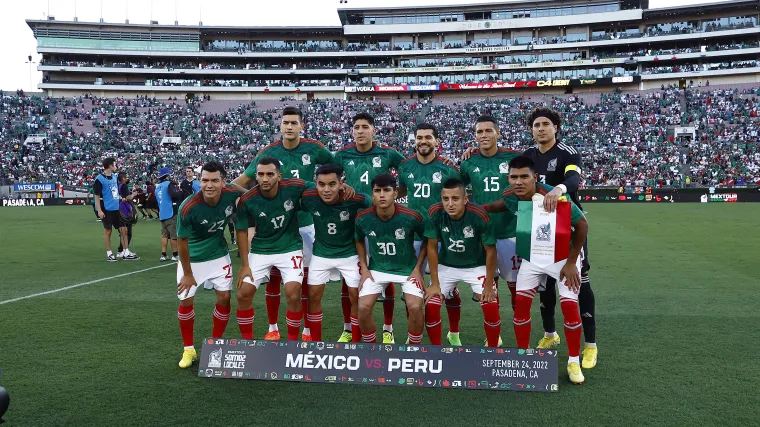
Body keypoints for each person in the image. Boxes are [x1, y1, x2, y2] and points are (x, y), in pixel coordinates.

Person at [233, 106, 336, 341]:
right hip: (272, 227)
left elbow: (335, 168)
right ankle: (272, 328)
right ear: (280, 125)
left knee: (304, 283)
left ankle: (307, 331)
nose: (289, 126)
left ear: (302, 126)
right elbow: (245, 179)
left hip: (306, 225)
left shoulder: (315, 148)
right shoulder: (268, 153)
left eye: (293, 123)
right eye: (285, 122)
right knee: (273, 281)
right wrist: (228, 192)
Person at [482, 156, 589, 384]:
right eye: (513, 177)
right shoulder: (511, 196)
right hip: (533, 256)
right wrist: (472, 209)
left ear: (535, 177)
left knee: (569, 306)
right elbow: (497, 206)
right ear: (508, 178)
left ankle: (573, 361)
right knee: (521, 306)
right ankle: (524, 356)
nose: (518, 182)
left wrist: (571, 262)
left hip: (562, 257)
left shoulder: (554, 195)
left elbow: (582, 225)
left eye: (524, 177)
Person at [522, 107, 598, 369]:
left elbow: (575, 177)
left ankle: (590, 346)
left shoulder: (567, 152)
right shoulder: (528, 155)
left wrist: (559, 188)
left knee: (579, 280)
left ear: (556, 127)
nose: (540, 128)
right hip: (539, 226)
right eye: (536, 125)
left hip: (568, 226)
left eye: (546, 124)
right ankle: (549, 334)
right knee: (544, 279)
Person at [333, 112, 405, 343]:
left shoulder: (387, 153)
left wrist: (395, 196)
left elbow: (409, 173)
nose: (360, 130)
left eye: (365, 126)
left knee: (387, 273)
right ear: (352, 131)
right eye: (356, 127)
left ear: (374, 130)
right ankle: (347, 327)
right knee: (350, 279)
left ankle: (388, 329)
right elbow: (330, 179)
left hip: (380, 221)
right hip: (351, 222)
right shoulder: (342, 154)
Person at [397, 123, 462, 345]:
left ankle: (454, 333)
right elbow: (402, 191)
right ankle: (413, 334)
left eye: (428, 137)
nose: (423, 141)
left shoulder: (448, 167)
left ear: (437, 141)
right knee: (411, 289)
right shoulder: (405, 167)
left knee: (449, 289)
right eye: (419, 138)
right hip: (412, 236)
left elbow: (458, 196)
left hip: (442, 235)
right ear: (414, 140)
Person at [175, 161, 244, 369]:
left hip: (219, 255)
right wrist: (187, 273)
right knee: (186, 301)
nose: (209, 185)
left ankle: (215, 344)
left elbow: (247, 193)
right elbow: (182, 243)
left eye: (215, 180)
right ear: (199, 181)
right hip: (192, 260)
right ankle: (188, 349)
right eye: (204, 180)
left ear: (224, 182)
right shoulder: (188, 207)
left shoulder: (231, 193)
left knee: (224, 298)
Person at [234, 157, 311, 341]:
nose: (265, 178)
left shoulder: (293, 187)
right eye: (260, 174)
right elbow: (242, 232)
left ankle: (292, 343)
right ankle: (248, 342)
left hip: (290, 247)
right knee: (243, 294)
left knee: (293, 293)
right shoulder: (248, 199)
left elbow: (318, 186)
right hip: (261, 249)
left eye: (270, 174)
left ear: (279, 176)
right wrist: (245, 264)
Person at [460, 115, 521, 345]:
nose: (483, 135)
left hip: (510, 233)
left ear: (498, 133)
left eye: (488, 131)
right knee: (488, 290)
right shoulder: (468, 162)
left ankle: (519, 333)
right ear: (474, 136)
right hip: (482, 236)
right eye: (479, 132)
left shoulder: (513, 157)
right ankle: (493, 338)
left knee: (516, 290)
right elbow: (458, 187)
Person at [424, 178, 500, 347]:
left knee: (490, 305)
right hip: (446, 265)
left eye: (455, 199)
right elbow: (431, 247)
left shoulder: (479, 215)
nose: (450, 204)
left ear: (465, 199)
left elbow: (491, 250)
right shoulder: (435, 212)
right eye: (445, 199)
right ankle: (438, 352)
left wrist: (489, 283)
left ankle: (493, 351)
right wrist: (435, 282)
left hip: (476, 266)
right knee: (431, 305)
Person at [300, 164, 371, 342]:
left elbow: (376, 204)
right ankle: (316, 343)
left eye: (332, 184)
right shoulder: (309, 198)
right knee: (313, 296)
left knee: (356, 297)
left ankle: (355, 342)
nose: (326, 189)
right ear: (315, 184)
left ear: (342, 183)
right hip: (321, 255)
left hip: (349, 254)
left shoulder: (356, 198)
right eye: (321, 184)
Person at [355, 173, 426, 344]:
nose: (381, 195)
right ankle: (372, 349)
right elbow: (358, 240)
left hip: (407, 270)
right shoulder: (363, 218)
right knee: (363, 308)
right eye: (377, 190)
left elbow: (428, 240)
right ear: (372, 194)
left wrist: (417, 269)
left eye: (386, 190)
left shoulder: (411, 217)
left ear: (395, 193)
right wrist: (364, 268)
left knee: (415, 307)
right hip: (377, 269)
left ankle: (414, 349)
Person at [93, 157, 137, 261]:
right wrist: (99, 210)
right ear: (110, 166)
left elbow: (114, 190)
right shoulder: (99, 179)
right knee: (108, 231)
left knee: (124, 229)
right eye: (115, 164)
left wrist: (119, 197)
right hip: (106, 208)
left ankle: (126, 252)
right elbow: (97, 196)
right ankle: (109, 253)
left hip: (116, 207)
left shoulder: (114, 176)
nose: (116, 166)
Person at [155, 167, 183, 261]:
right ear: (166, 176)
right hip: (171, 213)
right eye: (169, 175)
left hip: (162, 213)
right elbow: (174, 195)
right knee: (173, 235)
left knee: (164, 235)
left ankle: (163, 254)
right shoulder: (169, 184)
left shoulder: (157, 187)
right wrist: (180, 193)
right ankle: (175, 255)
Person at [116, 172, 139, 259]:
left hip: (119, 208)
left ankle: (121, 250)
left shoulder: (118, 186)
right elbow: (128, 197)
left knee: (122, 232)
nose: (128, 178)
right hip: (125, 210)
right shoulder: (124, 186)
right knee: (127, 232)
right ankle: (124, 250)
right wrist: (133, 194)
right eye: (127, 177)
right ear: (123, 178)